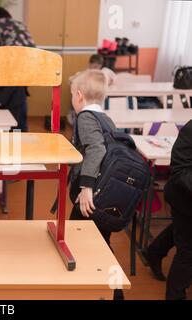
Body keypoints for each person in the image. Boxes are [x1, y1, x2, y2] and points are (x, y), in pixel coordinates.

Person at [68, 69, 125, 300]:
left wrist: (86, 187)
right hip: (109, 193)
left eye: (72, 94)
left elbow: (96, 149)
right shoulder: (105, 117)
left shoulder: (85, 117)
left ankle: (114, 292)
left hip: (92, 195)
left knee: (80, 238)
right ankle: (108, 289)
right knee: (100, 241)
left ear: (79, 96)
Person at [162, 120, 192, 299]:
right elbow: (180, 170)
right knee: (187, 253)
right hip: (184, 200)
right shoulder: (190, 129)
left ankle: (154, 252)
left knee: (181, 233)